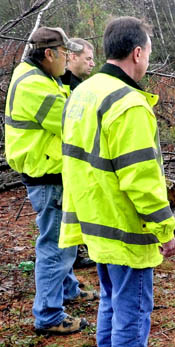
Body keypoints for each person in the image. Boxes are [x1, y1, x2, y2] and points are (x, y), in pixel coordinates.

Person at [60, 17, 175, 347]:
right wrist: (165, 228)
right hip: (123, 224)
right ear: (137, 53)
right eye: (148, 53)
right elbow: (141, 178)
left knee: (112, 297)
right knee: (134, 306)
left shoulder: (84, 91)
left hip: (93, 219)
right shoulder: (128, 104)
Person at [4, 26, 94, 335]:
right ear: (49, 54)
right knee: (56, 245)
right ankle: (49, 314)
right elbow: (72, 121)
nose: (69, 60)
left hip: (50, 170)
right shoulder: (34, 85)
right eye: (65, 55)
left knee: (63, 238)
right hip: (46, 175)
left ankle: (67, 289)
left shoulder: (41, 76)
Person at [59, 37, 97, 269]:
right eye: (88, 59)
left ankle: (75, 254)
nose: (92, 64)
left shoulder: (78, 85)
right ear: (72, 57)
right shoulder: (63, 84)